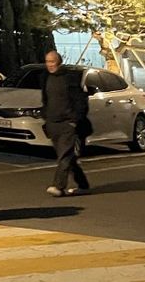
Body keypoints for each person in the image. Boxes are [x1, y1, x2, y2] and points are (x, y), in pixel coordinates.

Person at [41, 50, 91, 197]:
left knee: (64, 155)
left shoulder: (69, 79)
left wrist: (74, 121)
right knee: (68, 157)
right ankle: (83, 184)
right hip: (52, 123)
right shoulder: (45, 78)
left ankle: (58, 186)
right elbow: (46, 99)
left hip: (67, 123)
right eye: (47, 61)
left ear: (59, 62)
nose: (50, 65)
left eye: (52, 61)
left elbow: (81, 101)